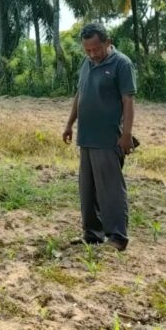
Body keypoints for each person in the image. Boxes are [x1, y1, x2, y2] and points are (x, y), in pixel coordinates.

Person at [62, 23, 137, 250]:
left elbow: (128, 101)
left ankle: (118, 237)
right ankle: (92, 233)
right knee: (88, 189)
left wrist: (126, 135)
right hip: (86, 136)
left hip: (108, 138)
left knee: (110, 189)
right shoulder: (86, 63)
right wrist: (69, 124)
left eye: (96, 49)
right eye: (88, 50)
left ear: (107, 42)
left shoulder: (122, 64)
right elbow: (80, 94)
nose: (92, 54)